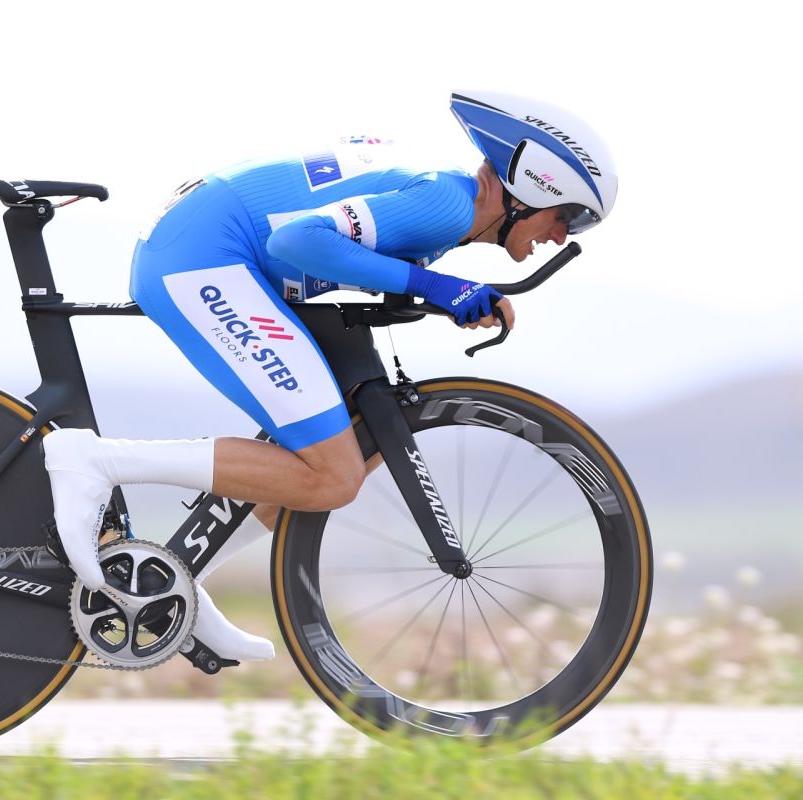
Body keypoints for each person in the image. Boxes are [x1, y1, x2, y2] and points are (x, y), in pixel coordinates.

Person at [43, 90, 618, 663]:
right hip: (203, 256)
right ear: (531, 188)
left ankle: (177, 579)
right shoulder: (448, 205)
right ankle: (97, 460)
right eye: (567, 217)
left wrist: (441, 291)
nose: (562, 237)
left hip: (209, 249)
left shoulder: (449, 204)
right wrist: (439, 287)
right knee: (332, 476)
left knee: (344, 455)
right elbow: (296, 240)